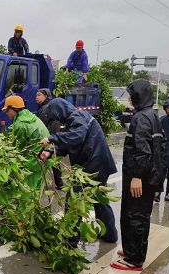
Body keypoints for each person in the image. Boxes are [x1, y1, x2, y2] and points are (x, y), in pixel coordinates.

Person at [39, 98, 118, 245]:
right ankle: (110, 235)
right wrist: (51, 151)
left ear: (60, 110)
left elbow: (77, 136)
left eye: (55, 116)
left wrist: (52, 138)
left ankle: (70, 240)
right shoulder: (75, 119)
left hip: (93, 165)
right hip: (98, 164)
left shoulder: (77, 117)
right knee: (99, 200)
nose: (57, 121)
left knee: (73, 200)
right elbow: (71, 142)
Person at [113, 79, 165, 271]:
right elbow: (161, 146)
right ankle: (131, 250)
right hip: (147, 176)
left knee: (135, 216)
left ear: (138, 96)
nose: (129, 98)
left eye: (131, 95)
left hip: (140, 177)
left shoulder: (142, 118)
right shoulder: (152, 115)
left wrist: (137, 176)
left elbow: (143, 151)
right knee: (132, 214)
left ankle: (134, 260)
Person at [2, 95, 51, 189]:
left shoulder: (20, 124)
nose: (6, 113)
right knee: (36, 186)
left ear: (15, 109)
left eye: (7, 110)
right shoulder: (28, 115)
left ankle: (26, 202)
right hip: (45, 154)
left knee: (27, 188)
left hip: (34, 159)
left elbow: (17, 148)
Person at [35, 88, 64, 190]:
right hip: (50, 137)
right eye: (36, 95)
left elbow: (43, 124)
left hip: (49, 137)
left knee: (51, 159)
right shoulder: (44, 107)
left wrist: (49, 138)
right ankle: (59, 183)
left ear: (46, 96)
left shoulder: (47, 108)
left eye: (39, 95)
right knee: (53, 159)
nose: (36, 97)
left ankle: (59, 183)